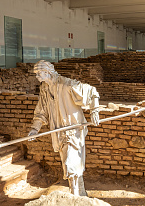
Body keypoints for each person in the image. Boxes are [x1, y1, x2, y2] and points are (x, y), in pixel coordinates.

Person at [28, 60, 100, 196]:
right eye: (36, 73)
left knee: (70, 164)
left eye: (39, 73)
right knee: (72, 165)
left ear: (47, 72)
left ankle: (74, 196)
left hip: (73, 131)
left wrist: (94, 110)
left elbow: (91, 91)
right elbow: (41, 111)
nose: (37, 76)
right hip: (59, 132)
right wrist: (35, 129)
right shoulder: (44, 89)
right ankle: (81, 193)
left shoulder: (66, 84)